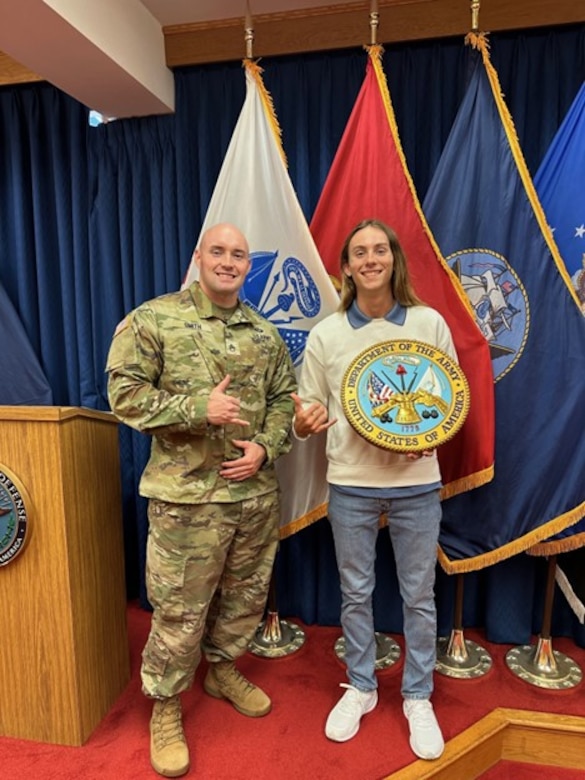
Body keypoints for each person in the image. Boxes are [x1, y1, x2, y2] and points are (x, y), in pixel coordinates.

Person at [106, 222, 296, 778]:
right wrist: (196, 408)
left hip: (253, 496)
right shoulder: (154, 318)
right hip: (187, 501)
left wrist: (265, 446)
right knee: (179, 612)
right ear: (199, 257)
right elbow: (124, 395)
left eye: (239, 254)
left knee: (244, 599)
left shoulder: (264, 332)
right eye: (219, 251)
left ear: (247, 265)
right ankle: (165, 705)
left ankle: (222, 668)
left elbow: (285, 398)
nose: (229, 261)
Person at [292, 218, 455, 761]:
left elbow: (447, 402)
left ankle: (418, 695)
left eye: (379, 249)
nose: (369, 259)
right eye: (358, 251)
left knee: (419, 596)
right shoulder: (327, 334)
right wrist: (304, 424)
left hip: (416, 484)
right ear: (345, 266)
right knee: (356, 593)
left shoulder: (430, 323)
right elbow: (305, 411)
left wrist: (428, 437)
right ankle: (361, 686)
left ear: (393, 259)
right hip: (351, 484)